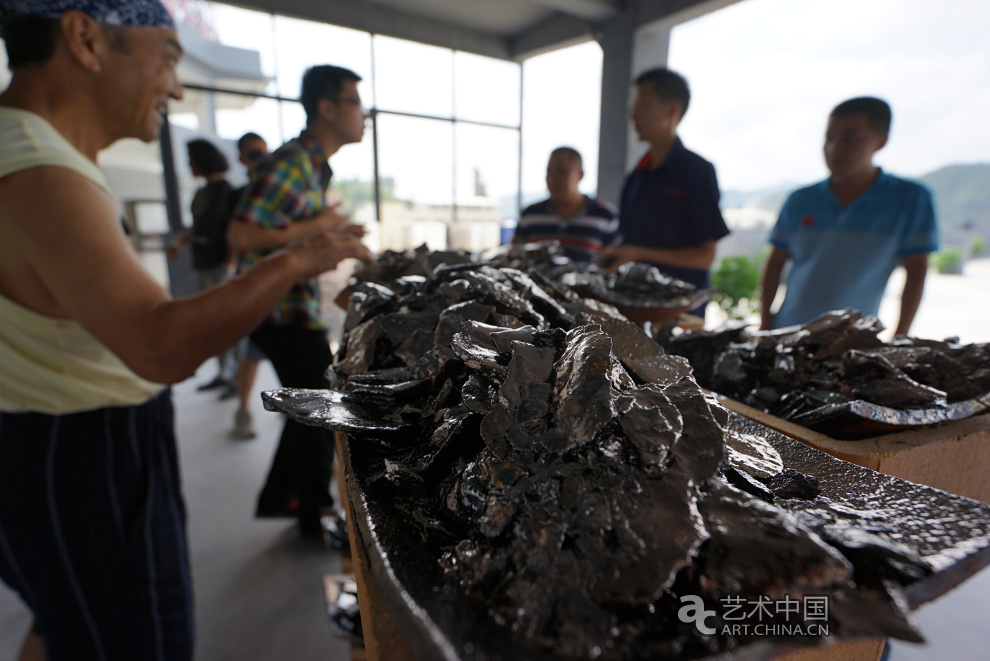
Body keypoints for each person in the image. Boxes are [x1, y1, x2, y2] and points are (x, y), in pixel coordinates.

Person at [0, 4, 372, 660]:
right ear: (85, 37)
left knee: (66, 623)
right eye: (169, 58)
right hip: (83, 450)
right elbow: (161, 344)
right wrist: (302, 257)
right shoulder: (39, 169)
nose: (175, 87)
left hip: (46, 434)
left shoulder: (32, 151)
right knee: (136, 638)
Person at [228, 65, 368, 538]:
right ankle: (314, 513)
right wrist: (321, 228)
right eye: (356, 103)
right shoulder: (294, 161)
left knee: (308, 398)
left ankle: (284, 496)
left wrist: (329, 233)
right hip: (278, 309)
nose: (364, 115)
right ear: (327, 108)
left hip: (291, 306)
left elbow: (284, 230)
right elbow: (243, 234)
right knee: (320, 401)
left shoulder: (313, 165)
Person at [759, 97, 938, 335]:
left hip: (852, 339)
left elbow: (916, 272)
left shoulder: (910, 199)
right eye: (829, 138)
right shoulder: (800, 199)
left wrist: (900, 336)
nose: (835, 149)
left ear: (881, 141)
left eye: (850, 138)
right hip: (788, 331)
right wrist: (765, 324)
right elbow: (775, 264)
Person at [599, 67, 729, 317]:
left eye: (642, 105)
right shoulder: (637, 176)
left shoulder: (696, 172)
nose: (632, 115)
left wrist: (638, 253)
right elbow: (627, 239)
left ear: (671, 110)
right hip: (633, 308)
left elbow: (705, 256)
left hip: (677, 314)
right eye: (633, 107)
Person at [167, 138, 238, 393]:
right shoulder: (202, 193)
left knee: (229, 322)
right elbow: (197, 226)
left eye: (191, 160)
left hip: (221, 266)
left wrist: (230, 261)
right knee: (213, 323)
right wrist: (180, 242)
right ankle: (224, 372)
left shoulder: (228, 192)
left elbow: (235, 230)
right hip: (204, 263)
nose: (189, 165)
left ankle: (236, 377)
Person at [229, 132, 271, 439]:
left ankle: (290, 406)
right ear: (242, 159)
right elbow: (237, 239)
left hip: (282, 285)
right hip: (255, 284)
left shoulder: (270, 190)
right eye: (254, 154)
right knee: (252, 351)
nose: (261, 160)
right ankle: (243, 410)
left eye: (264, 153)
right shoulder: (242, 196)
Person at [512, 146, 619, 265]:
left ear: (580, 175)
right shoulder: (530, 215)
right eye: (549, 172)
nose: (553, 179)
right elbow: (514, 256)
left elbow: (614, 260)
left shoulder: (606, 215)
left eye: (562, 171)